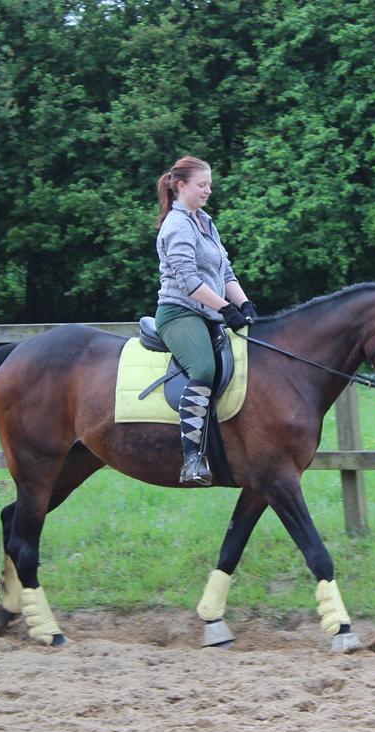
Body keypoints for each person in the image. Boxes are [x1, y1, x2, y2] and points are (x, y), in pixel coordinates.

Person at [154, 156, 257, 486]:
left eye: (210, 184)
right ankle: (192, 460)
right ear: (181, 186)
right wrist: (227, 309)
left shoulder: (204, 221)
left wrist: (246, 304)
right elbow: (188, 280)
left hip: (210, 311)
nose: (208, 190)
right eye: (202, 185)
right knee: (203, 369)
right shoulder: (176, 225)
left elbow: (224, 272)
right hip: (180, 313)